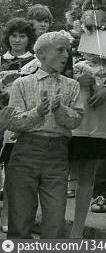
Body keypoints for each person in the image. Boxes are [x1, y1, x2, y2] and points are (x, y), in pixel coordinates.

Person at [6, 32, 83, 238]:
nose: (65, 55)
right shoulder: (22, 84)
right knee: (20, 216)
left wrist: (60, 111)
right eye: (60, 50)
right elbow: (13, 122)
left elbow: (76, 120)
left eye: (67, 50)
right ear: (40, 54)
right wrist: (37, 112)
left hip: (57, 153)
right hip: (25, 151)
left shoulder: (71, 85)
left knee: (55, 218)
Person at [68, 56, 106, 238]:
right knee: (58, 175)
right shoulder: (74, 61)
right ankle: (54, 224)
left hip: (96, 128)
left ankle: (77, 231)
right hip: (69, 125)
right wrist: (75, 80)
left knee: (87, 176)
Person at [0, 17, 36, 232]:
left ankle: (8, 215)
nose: (17, 40)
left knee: (14, 171)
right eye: (14, 35)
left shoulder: (35, 62)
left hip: (22, 119)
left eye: (22, 36)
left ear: (29, 39)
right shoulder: (1, 60)